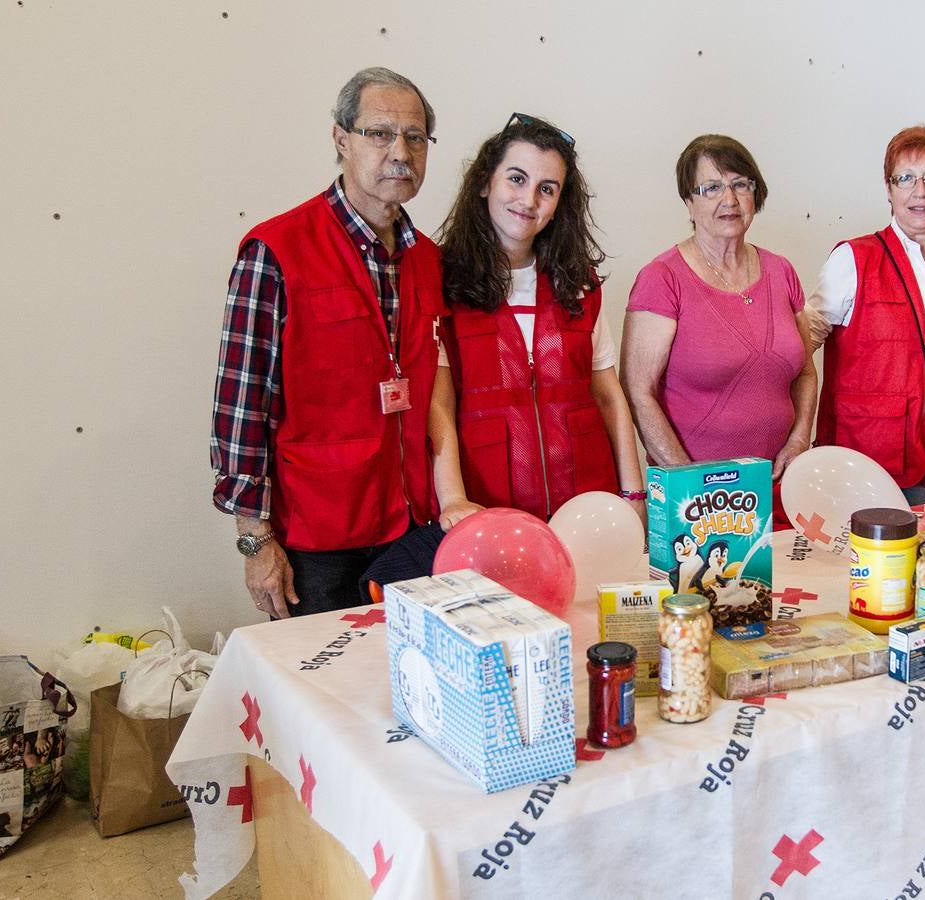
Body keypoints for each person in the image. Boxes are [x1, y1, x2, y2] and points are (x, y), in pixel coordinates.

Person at [209, 67, 446, 619]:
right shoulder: (276, 251)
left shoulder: (428, 261)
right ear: (341, 139)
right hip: (314, 544)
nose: (400, 152)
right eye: (380, 133)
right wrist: (255, 540)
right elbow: (241, 405)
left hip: (410, 531)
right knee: (325, 692)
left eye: (415, 137)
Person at [429, 113, 644, 522]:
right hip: (488, 506)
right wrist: (452, 499)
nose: (528, 201)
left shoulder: (580, 284)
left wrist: (633, 493)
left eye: (547, 189)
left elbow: (608, 393)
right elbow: (440, 403)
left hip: (587, 506)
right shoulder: (443, 284)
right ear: (484, 183)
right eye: (516, 178)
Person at [807, 125, 925, 504]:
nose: (919, 192)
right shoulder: (854, 259)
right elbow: (799, 348)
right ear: (888, 190)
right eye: (905, 178)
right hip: (860, 469)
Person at [622, 135, 816, 478]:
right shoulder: (662, 278)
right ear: (688, 202)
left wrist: (799, 439)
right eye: (711, 188)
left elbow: (805, 373)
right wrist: (689, 480)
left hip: (781, 482)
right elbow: (638, 391)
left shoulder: (781, 270)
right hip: (698, 499)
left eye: (740, 184)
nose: (729, 199)